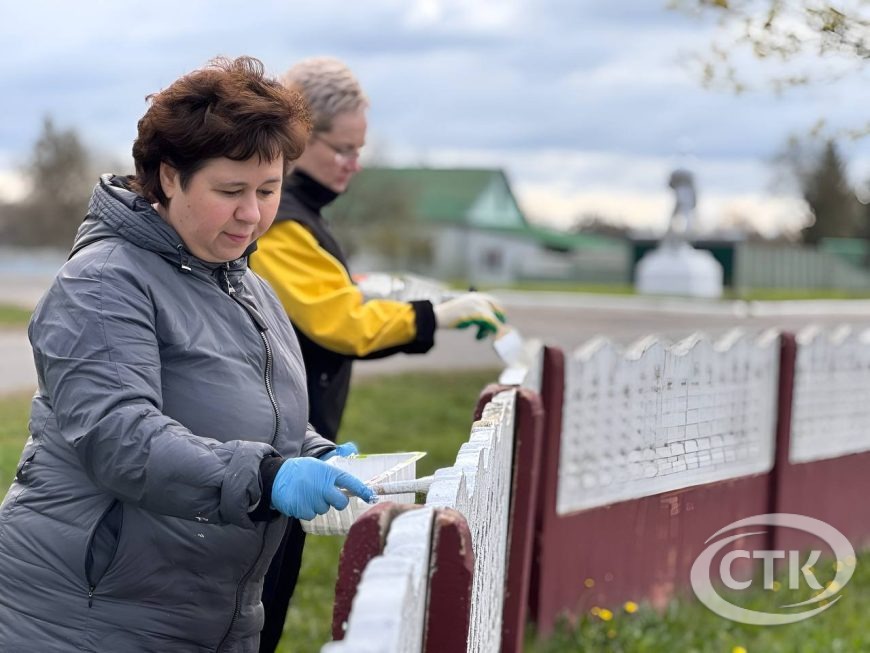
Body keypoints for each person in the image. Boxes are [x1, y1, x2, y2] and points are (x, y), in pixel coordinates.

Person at [0, 56, 374, 653]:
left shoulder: (244, 282)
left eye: (268, 190)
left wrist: (314, 452)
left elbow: (245, 409)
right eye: (230, 191)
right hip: (88, 619)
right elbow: (120, 437)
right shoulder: (102, 284)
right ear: (170, 177)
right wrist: (268, 476)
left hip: (211, 614)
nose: (251, 214)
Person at [249, 56, 508, 652]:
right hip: (269, 450)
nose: (353, 164)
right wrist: (431, 315)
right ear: (299, 135)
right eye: (342, 149)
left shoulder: (298, 213)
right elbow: (342, 321)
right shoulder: (282, 219)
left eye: (359, 151)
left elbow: (334, 293)